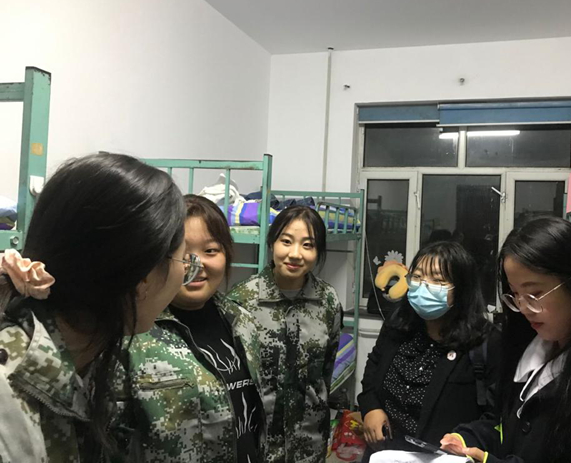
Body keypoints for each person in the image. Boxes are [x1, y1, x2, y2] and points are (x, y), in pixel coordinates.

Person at [0, 153, 188, 461]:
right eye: (184, 259)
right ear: (143, 279)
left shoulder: (88, 361)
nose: (186, 273)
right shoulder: (10, 398)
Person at [441, 217, 571, 462]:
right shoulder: (529, 351)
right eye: (515, 294)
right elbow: (503, 427)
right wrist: (468, 440)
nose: (524, 308)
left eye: (535, 293)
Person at [118, 195, 266, 462]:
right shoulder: (134, 332)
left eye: (211, 251)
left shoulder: (242, 321)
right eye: (183, 254)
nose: (196, 264)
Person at [358, 241, 499, 462]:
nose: (424, 286)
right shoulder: (398, 323)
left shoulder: (484, 342)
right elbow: (373, 368)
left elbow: (496, 416)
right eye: (417, 277)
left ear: (461, 289)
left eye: (438, 280)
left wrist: (464, 439)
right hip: (386, 454)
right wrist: (370, 408)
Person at [227, 205, 342, 463]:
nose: (295, 254)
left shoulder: (328, 300)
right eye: (286, 241)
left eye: (308, 245)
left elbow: (326, 370)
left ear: (318, 252)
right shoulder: (241, 300)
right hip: (257, 442)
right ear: (272, 243)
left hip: (309, 442)